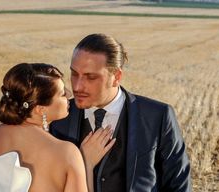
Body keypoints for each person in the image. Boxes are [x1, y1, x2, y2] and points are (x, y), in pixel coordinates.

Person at [50, 34, 192, 192]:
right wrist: (81, 160)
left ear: (116, 77)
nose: (77, 86)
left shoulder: (157, 116)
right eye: (74, 74)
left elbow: (179, 185)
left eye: (91, 77)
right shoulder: (58, 118)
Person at [0, 63, 115, 192]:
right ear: (40, 109)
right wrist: (87, 163)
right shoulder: (68, 153)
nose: (69, 96)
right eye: (63, 93)